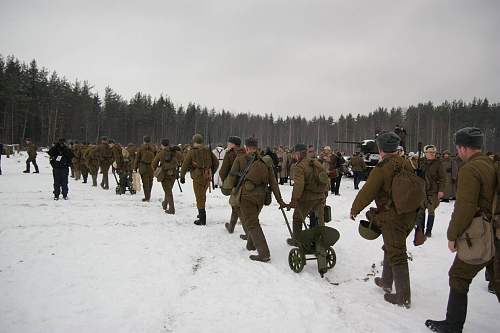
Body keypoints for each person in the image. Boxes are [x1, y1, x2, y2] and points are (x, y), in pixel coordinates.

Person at [425, 127, 499, 333]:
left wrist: (452, 235)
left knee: (458, 276)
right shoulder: (489, 163)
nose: (457, 151)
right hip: (494, 232)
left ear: (465, 148)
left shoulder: (470, 169)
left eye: (458, 147)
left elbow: (464, 207)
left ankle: (453, 326)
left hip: (481, 234)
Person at [350, 132, 417, 308]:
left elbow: (367, 192)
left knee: (397, 254)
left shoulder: (382, 168)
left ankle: (403, 297)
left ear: (380, 149)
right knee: (391, 246)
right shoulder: (407, 163)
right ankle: (387, 282)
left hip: (392, 217)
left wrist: (354, 209)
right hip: (409, 214)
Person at [226, 137, 285, 262]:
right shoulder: (265, 161)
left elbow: (231, 177)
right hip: (261, 197)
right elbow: (273, 182)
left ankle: (264, 253)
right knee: (253, 219)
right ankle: (251, 244)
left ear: (246, 148)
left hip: (246, 196)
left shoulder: (240, 159)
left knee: (252, 223)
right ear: (256, 147)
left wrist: (228, 190)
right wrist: (280, 200)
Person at [286, 143, 329, 247]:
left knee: (297, 218)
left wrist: (294, 200)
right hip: (320, 196)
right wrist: (324, 194)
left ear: (298, 153)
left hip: (307, 198)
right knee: (318, 219)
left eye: (294, 154)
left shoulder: (300, 166)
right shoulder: (316, 162)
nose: (293, 156)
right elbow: (325, 178)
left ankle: (297, 240)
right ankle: (319, 242)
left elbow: (299, 185)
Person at [180, 134, 219, 225]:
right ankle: (200, 213)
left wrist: (182, 176)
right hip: (207, 177)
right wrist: (211, 172)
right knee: (202, 195)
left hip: (198, 177)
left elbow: (185, 165)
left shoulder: (192, 152)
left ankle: (202, 219)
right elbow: (216, 163)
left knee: (199, 197)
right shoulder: (208, 150)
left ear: (194, 142)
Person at [416, 145, 446, 238]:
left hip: (433, 191)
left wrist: (441, 190)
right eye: (430, 152)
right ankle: (420, 229)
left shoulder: (438, 163)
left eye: (433, 152)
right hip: (421, 190)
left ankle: (428, 231)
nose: (432, 153)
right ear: (425, 153)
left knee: (431, 211)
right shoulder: (420, 162)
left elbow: (443, 178)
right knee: (421, 211)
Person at [219, 136, 246, 233]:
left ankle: (247, 232)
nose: (227, 144)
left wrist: (226, 182)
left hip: (234, 184)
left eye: (229, 143)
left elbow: (223, 171)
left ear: (233, 144)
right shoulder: (245, 153)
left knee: (237, 207)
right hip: (245, 183)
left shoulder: (229, 154)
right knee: (235, 205)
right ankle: (231, 227)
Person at [151, 139, 182, 214]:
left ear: (162, 145)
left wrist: (156, 170)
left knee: (168, 191)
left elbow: (154, 164)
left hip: (165, 174)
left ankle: (172, 209)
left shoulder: (160, 153)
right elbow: (182, 158)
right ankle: (165, 203)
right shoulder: (174, 152)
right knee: (168, 190)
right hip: (174, 174)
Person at [134, 136, 157, 202]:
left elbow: (137, 158)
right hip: (151, 166)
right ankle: (148, 195)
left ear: (144, 140)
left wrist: (135, 168)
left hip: (143, 166)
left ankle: (147, 197)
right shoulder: (153, 147)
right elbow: (156, 157)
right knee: (150, 181)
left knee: (145, 182)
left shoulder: (141, 148)